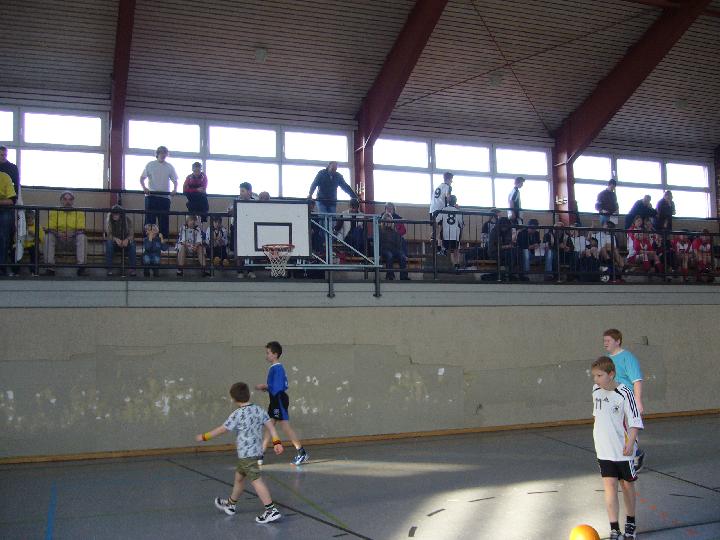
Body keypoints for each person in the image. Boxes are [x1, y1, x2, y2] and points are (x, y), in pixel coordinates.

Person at [194, 381, 284, 524]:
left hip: (247, 455)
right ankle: (231, 504)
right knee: (239, 479)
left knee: (256, 480)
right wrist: (277, 442)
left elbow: (222, 429)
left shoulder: (237, 414)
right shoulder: (258, 410)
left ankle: (271, 510)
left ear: (234, 399)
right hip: (251, 454)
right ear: (248, 394)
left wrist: (204, 437)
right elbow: (271, 427)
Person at [591, 356, 643, 540]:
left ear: (611, 374)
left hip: (622, 451)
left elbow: (635, 420)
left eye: (599, 375)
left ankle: (631, 524)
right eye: (594, 376)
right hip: (604, 450)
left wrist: (631, 442)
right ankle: (614, 529)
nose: (596, 379)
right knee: (610, 487)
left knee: (627, 486)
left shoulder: (624, 393)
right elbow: (598, 417)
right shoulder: (595, 390)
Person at [255, 341, 309, 466]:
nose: (266, 355)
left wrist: (265, 386)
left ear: (275, 354)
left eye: (268, 353)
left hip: (279, 399)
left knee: (285, 427)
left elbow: (279, 387)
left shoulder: (278, 368)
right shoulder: (274, 368)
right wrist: (267, 388)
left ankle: (302, 452)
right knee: (269, 425)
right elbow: (275, 386)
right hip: (275, 400)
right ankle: (260, 454)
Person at [602, 328, 645, 471]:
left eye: (608, 340)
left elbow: (637, 380)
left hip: (627, 399)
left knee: (629, 428)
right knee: (617, 430)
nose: (605, 343)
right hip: (613, 400)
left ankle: (635, 456)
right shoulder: (607, 360)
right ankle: (625, 457)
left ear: (618, 341)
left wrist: (637, 401)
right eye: (604, 341)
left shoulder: (628, 358)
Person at [43, 191, 87, 276]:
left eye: (70, 199)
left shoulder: (79, 213)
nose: (68, 202)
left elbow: (82, 230)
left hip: (73, 240)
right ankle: (50, 268)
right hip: (58, 240)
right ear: (61, 201)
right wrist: (58, 234)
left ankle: (81, 268)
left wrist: (72, 234)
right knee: (48, 237)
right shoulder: (54, 212)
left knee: (82, 237)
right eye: (65, 199)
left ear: (73, 201)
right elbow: (50, 228)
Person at [140, 146, 178, 238]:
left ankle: (163, 241)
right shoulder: (150, 164)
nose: (163, 154)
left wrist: (175, 189)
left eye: (165, 153)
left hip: (164, 197)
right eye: (161, 152)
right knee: (150, 221)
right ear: (157, 154)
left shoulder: (169, 166)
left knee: (164, 221)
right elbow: (142, 178)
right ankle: (148, 241)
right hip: (151, 196)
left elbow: (175, 180)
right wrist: (144, 188)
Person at [105, 204, 137, 277]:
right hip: (115, 243)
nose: (114, 215)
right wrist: (115, 239)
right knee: (109, 244)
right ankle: (109, 269)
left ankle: (133, 269)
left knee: (132, 244)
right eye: (113, 214)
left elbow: (131, 234)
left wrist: (127, 239)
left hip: (126, 242)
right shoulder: (109, 220)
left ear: (121, 214)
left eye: (117, 214)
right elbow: (108, 234)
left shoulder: (128, 220)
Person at [436, 195, 464, 270]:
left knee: (445, 243)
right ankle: (456, 265)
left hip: (446, 233)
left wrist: (442, 224)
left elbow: (437, 220)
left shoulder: (444, 209)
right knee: (456, 250)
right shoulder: (458, 211)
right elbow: (461, 223)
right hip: (455, 234)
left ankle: (442, 249)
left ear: (448, 201)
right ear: (455, 202)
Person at [379, 213, 409, 280]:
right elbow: (379, 242)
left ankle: (404, 276)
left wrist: (401, 252)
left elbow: (398, 242)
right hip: (385, 249)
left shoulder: (394, 230)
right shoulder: (380, 230)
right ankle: (390, 276)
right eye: (387, 221)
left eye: (390, 221)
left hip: (394, 249)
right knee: (390, 256)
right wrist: (378, 253)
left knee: (402, 256)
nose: (389, 222)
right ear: (384, 221)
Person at [430, 172, 453, 253]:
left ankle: (436, 244)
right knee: (442, 229)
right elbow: (448, 197)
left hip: (432, 209)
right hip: (440, 209)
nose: (452, 181)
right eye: (451, 180)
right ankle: (440, 247)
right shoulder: (448, 187)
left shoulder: (438, 187)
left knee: (436, 229)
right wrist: (452, 204)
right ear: (449, 179)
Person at [0, 171, 16, 276]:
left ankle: (1, 267)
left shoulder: (5, 177)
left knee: (3, 237)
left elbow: (11, 201)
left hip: (3, 210)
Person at [19, 210, 43, 276]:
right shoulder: (21, 225)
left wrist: (34, 235)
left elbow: (40, 240)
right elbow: (16, 238)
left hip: (31, 244)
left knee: (35, 252)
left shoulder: (37, 226)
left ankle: (33, 271)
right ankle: (15, 271)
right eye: (27, 218)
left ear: (33, 218)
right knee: (15, 251)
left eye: (31, 218)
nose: (29, 219)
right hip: (21, 244)